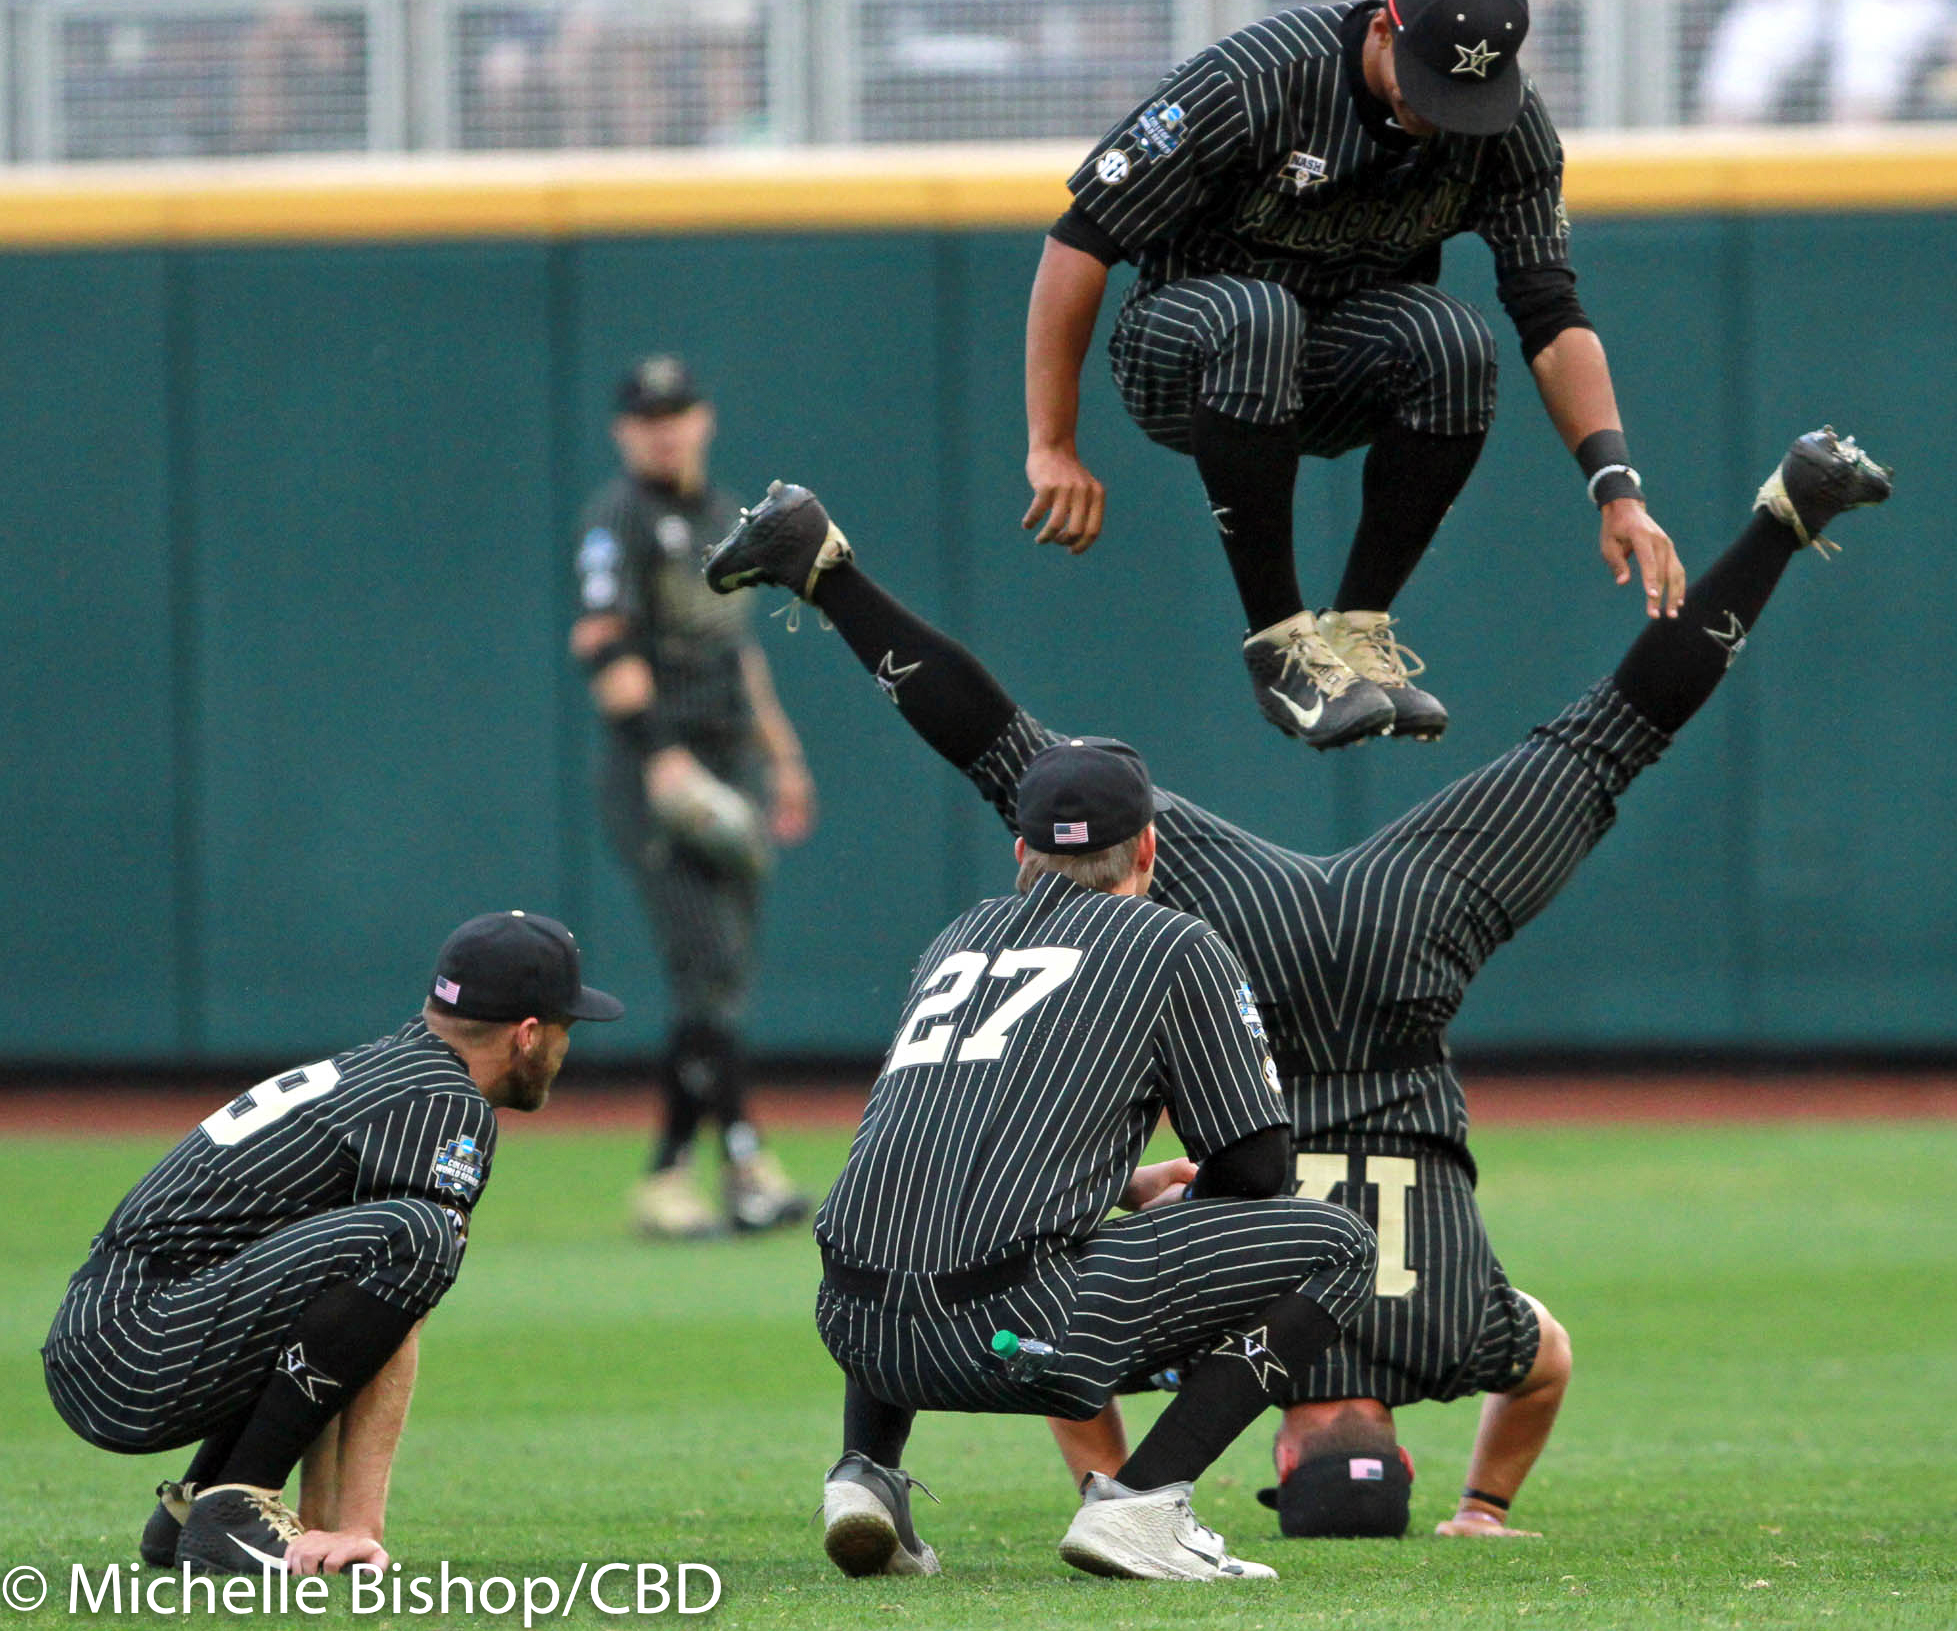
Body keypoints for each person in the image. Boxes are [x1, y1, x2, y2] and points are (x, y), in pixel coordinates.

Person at [705, 426, 1893, 1536]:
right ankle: (823, 568)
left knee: (1603, 739)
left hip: (1387, 951)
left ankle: (1784, 513)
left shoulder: (1453, 1338)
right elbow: (1074, 1372)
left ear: (1397, 1448)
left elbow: (1543, 1363)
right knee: (1024, 765)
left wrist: (1482, 1500)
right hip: (1283, 968)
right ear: (1278, 1455)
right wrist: (1106, 1478)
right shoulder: (1292, 1338)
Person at [1021, 0, 1686, 751]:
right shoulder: (1256, 79)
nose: (1442, 115)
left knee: (1453, 339)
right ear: (1381, 30)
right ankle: (1279, 644)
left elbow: (1549, 310)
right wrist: (1053, 443)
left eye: (1465, 97)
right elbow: (1081, 238)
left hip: (1332, 364)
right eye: (1428, 88)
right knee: (1260, 315)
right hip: (1184, 353)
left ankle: (1357, 633)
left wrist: (1617, 487)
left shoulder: (1506, 125)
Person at [812, 738, 1378, 1581]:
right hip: (1017, 1331)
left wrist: (1121, 1185)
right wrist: (1189, 1219)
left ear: (1022, 852)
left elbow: (947, 1141)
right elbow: (1258, 1170)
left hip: (855, 1327)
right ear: (1147, 846)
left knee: (913, 1207)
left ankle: (865, 1472)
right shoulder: (1174, 943)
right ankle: (1142, 1504)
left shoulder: (957, 936)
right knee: (1342, 1244)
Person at [41, 912, 623, 1577]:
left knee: (397, 1252)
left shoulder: (394, 1071)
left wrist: (318, 1522)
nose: (565, 1048)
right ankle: (235, 1504)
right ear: (528, 1034)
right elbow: (398, 1291)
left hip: (118, 1333)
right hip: (134, 1347)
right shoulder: (443, 1100)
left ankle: (203, 1502)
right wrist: (358, 1528)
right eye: (566, 1028)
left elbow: (347, 1320)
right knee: (422, 1235)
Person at [571, 355, 817, 1240]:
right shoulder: (618, 519)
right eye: (647, 417)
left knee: (724, 980)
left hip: (732, 763)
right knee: (706, 964)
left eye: (676, 413)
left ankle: (679, 1173)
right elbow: (601, 642)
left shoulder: (723, 516)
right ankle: (740, 1164)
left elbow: (739, 651)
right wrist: (662, 757)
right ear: (622, 431)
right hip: (659, 778)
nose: (663, 430)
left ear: (703, 419)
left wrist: (784, 757)